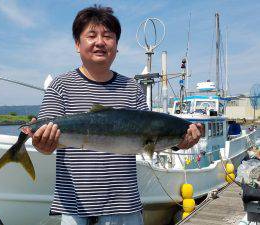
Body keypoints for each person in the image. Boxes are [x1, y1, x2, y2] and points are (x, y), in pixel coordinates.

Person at [28, 5, 203, 225]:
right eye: (91, 35)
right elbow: (46, 143)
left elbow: (149, 134)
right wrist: (42, 143)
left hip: (124, 207)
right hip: (74, 207)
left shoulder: (131, 88)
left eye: (108, 36)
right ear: (77, 44)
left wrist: (180, 141)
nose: (100, 42)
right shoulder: (61, 85)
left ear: (116, 46)